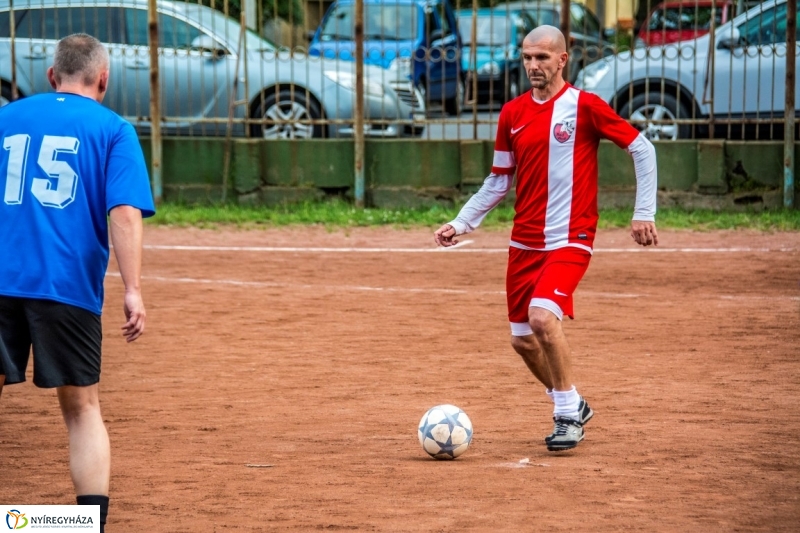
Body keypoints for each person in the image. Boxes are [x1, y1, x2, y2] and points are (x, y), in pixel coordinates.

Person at [433, 25, 658, 452]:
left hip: (570, 238)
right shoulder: (512, 113)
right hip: (524, 243)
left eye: (542, 57)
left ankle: (567, 417)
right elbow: (499, 181)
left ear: (562, 59)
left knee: (541, 318)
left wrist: (643, 212)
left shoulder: (585, 106)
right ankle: (572, 402)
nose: (533, 65)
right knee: (522, 341)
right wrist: (461, 223)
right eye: (527, 57)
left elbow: (642, 149)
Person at [0, 33, 155, 531]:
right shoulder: (113, 129)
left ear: (51, 75)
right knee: (81, 408)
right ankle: (85, 524)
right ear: (103, 79)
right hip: (65, 285)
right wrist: (132, 289)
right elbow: (125, 213)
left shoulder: (6, 118)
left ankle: (15, 522)